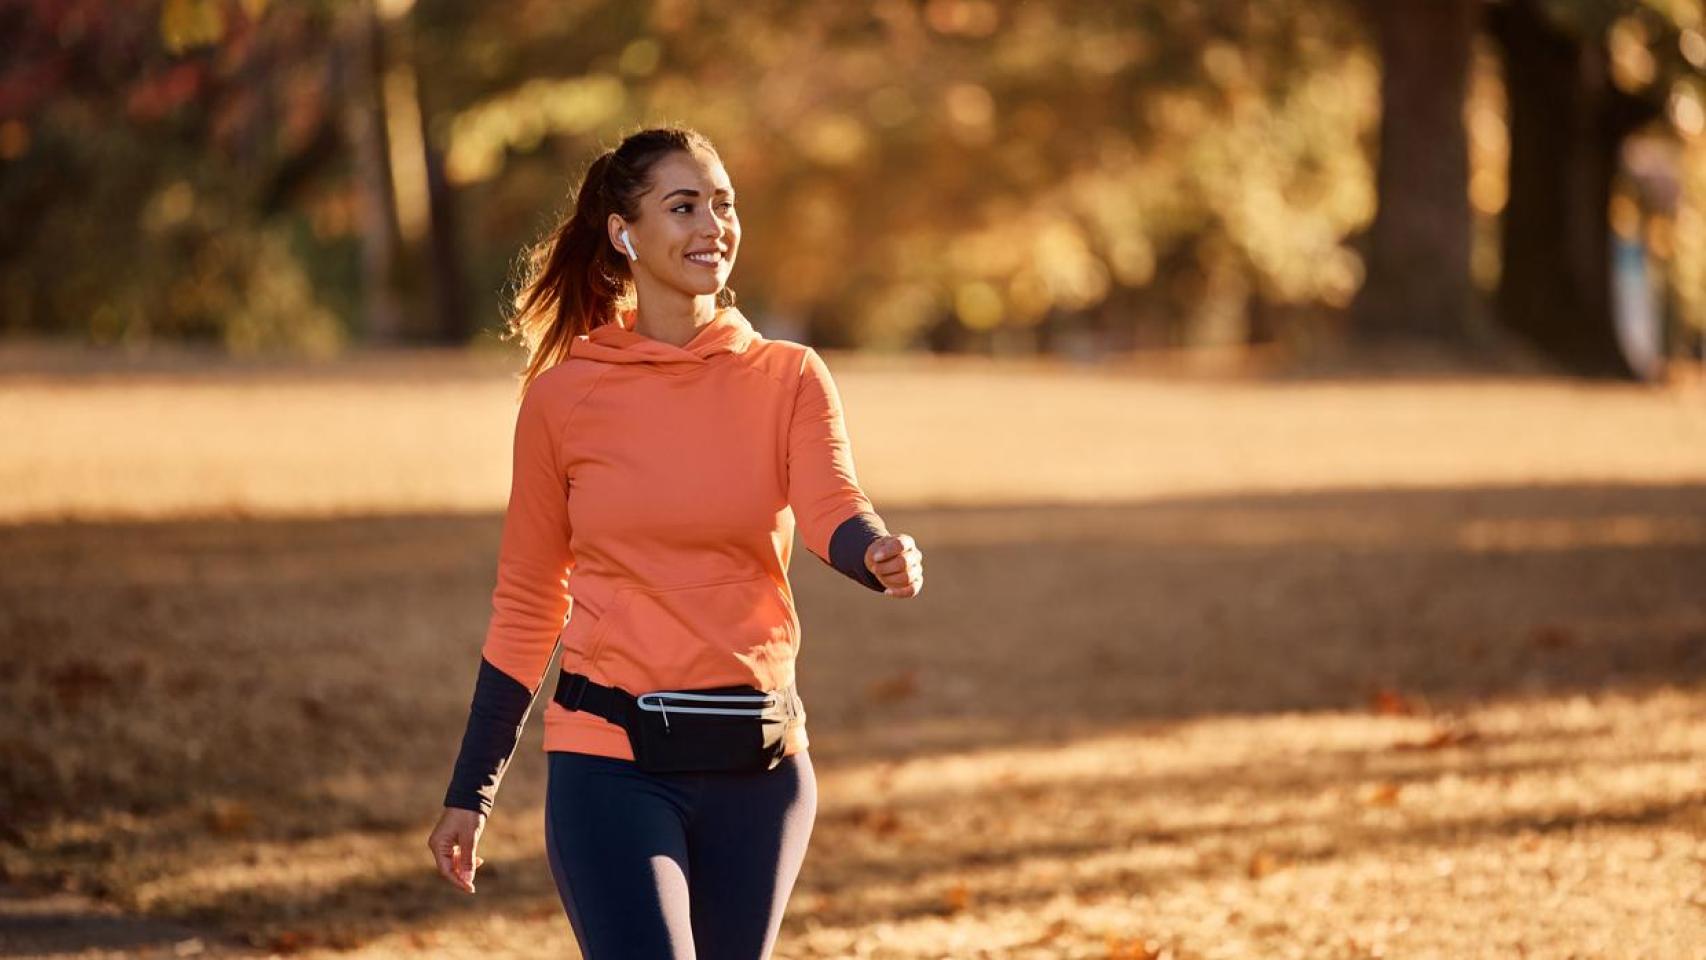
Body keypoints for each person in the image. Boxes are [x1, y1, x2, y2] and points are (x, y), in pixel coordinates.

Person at [425, 126, 924, 959]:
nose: (713, 226)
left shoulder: (789, 375)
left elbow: (831, 502)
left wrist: (874, 552)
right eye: (683, 206)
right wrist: (471, 791)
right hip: (611, 763)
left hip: (761, 764)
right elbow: (527, 601)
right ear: (624, 232)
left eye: (723, 205)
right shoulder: (563, 400)